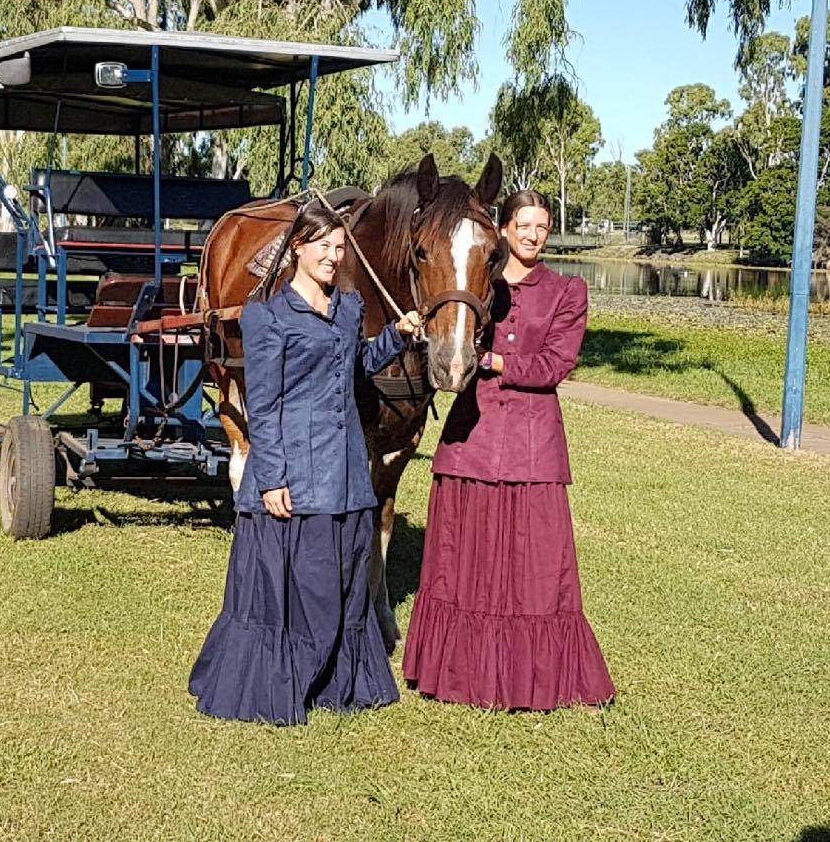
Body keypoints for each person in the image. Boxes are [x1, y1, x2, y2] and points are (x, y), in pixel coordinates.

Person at [190, 203, 424, 725]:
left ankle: (337, 676)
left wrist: (397, 336)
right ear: (297, 248)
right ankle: (288, 675)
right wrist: (270, 477)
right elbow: (264, 405)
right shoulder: (267, 317)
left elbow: (355, 366)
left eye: (339, 248)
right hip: (294, 468)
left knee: (340, 577)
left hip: (342, 470)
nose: (332, 257)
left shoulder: (347, 309)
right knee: (303, 579)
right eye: (322, 246)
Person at [401, 189, 615, 711]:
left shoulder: (568, 291)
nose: (533, 235)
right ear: (503, 228)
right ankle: (459, 672)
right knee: (463, 561)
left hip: (532, 444)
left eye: (542, 227)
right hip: (470, 438)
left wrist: (495, 361)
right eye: (523, 224)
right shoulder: (479, 283)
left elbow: (553, 367)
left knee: (535, 570)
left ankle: (530, 678)